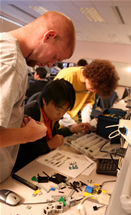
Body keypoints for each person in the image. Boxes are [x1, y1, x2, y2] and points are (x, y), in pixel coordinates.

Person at [0, 11, 76, 183]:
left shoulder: (3, 44)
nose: (50, 65)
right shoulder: (12, 63)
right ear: (49, 36)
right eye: (55, 57)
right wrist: (28, 134)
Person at [13, 79, 92, 172]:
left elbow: (52, 134)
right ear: (45, 100)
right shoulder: (29, 117)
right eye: (59, 108)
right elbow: (20, 157)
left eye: (65, 110)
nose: (61, 114)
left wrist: (71, 130)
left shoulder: (50, 115)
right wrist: (48, 145)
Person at [55, 59, 120, 126]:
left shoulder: (93, 84)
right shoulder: (67, 75)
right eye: (94, 88)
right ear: (91, 75)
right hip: (57, 122)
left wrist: (86, 122)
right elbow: (55, 106)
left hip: (73, 121)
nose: (94, 91)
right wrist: (72, 125)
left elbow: (87, 103)